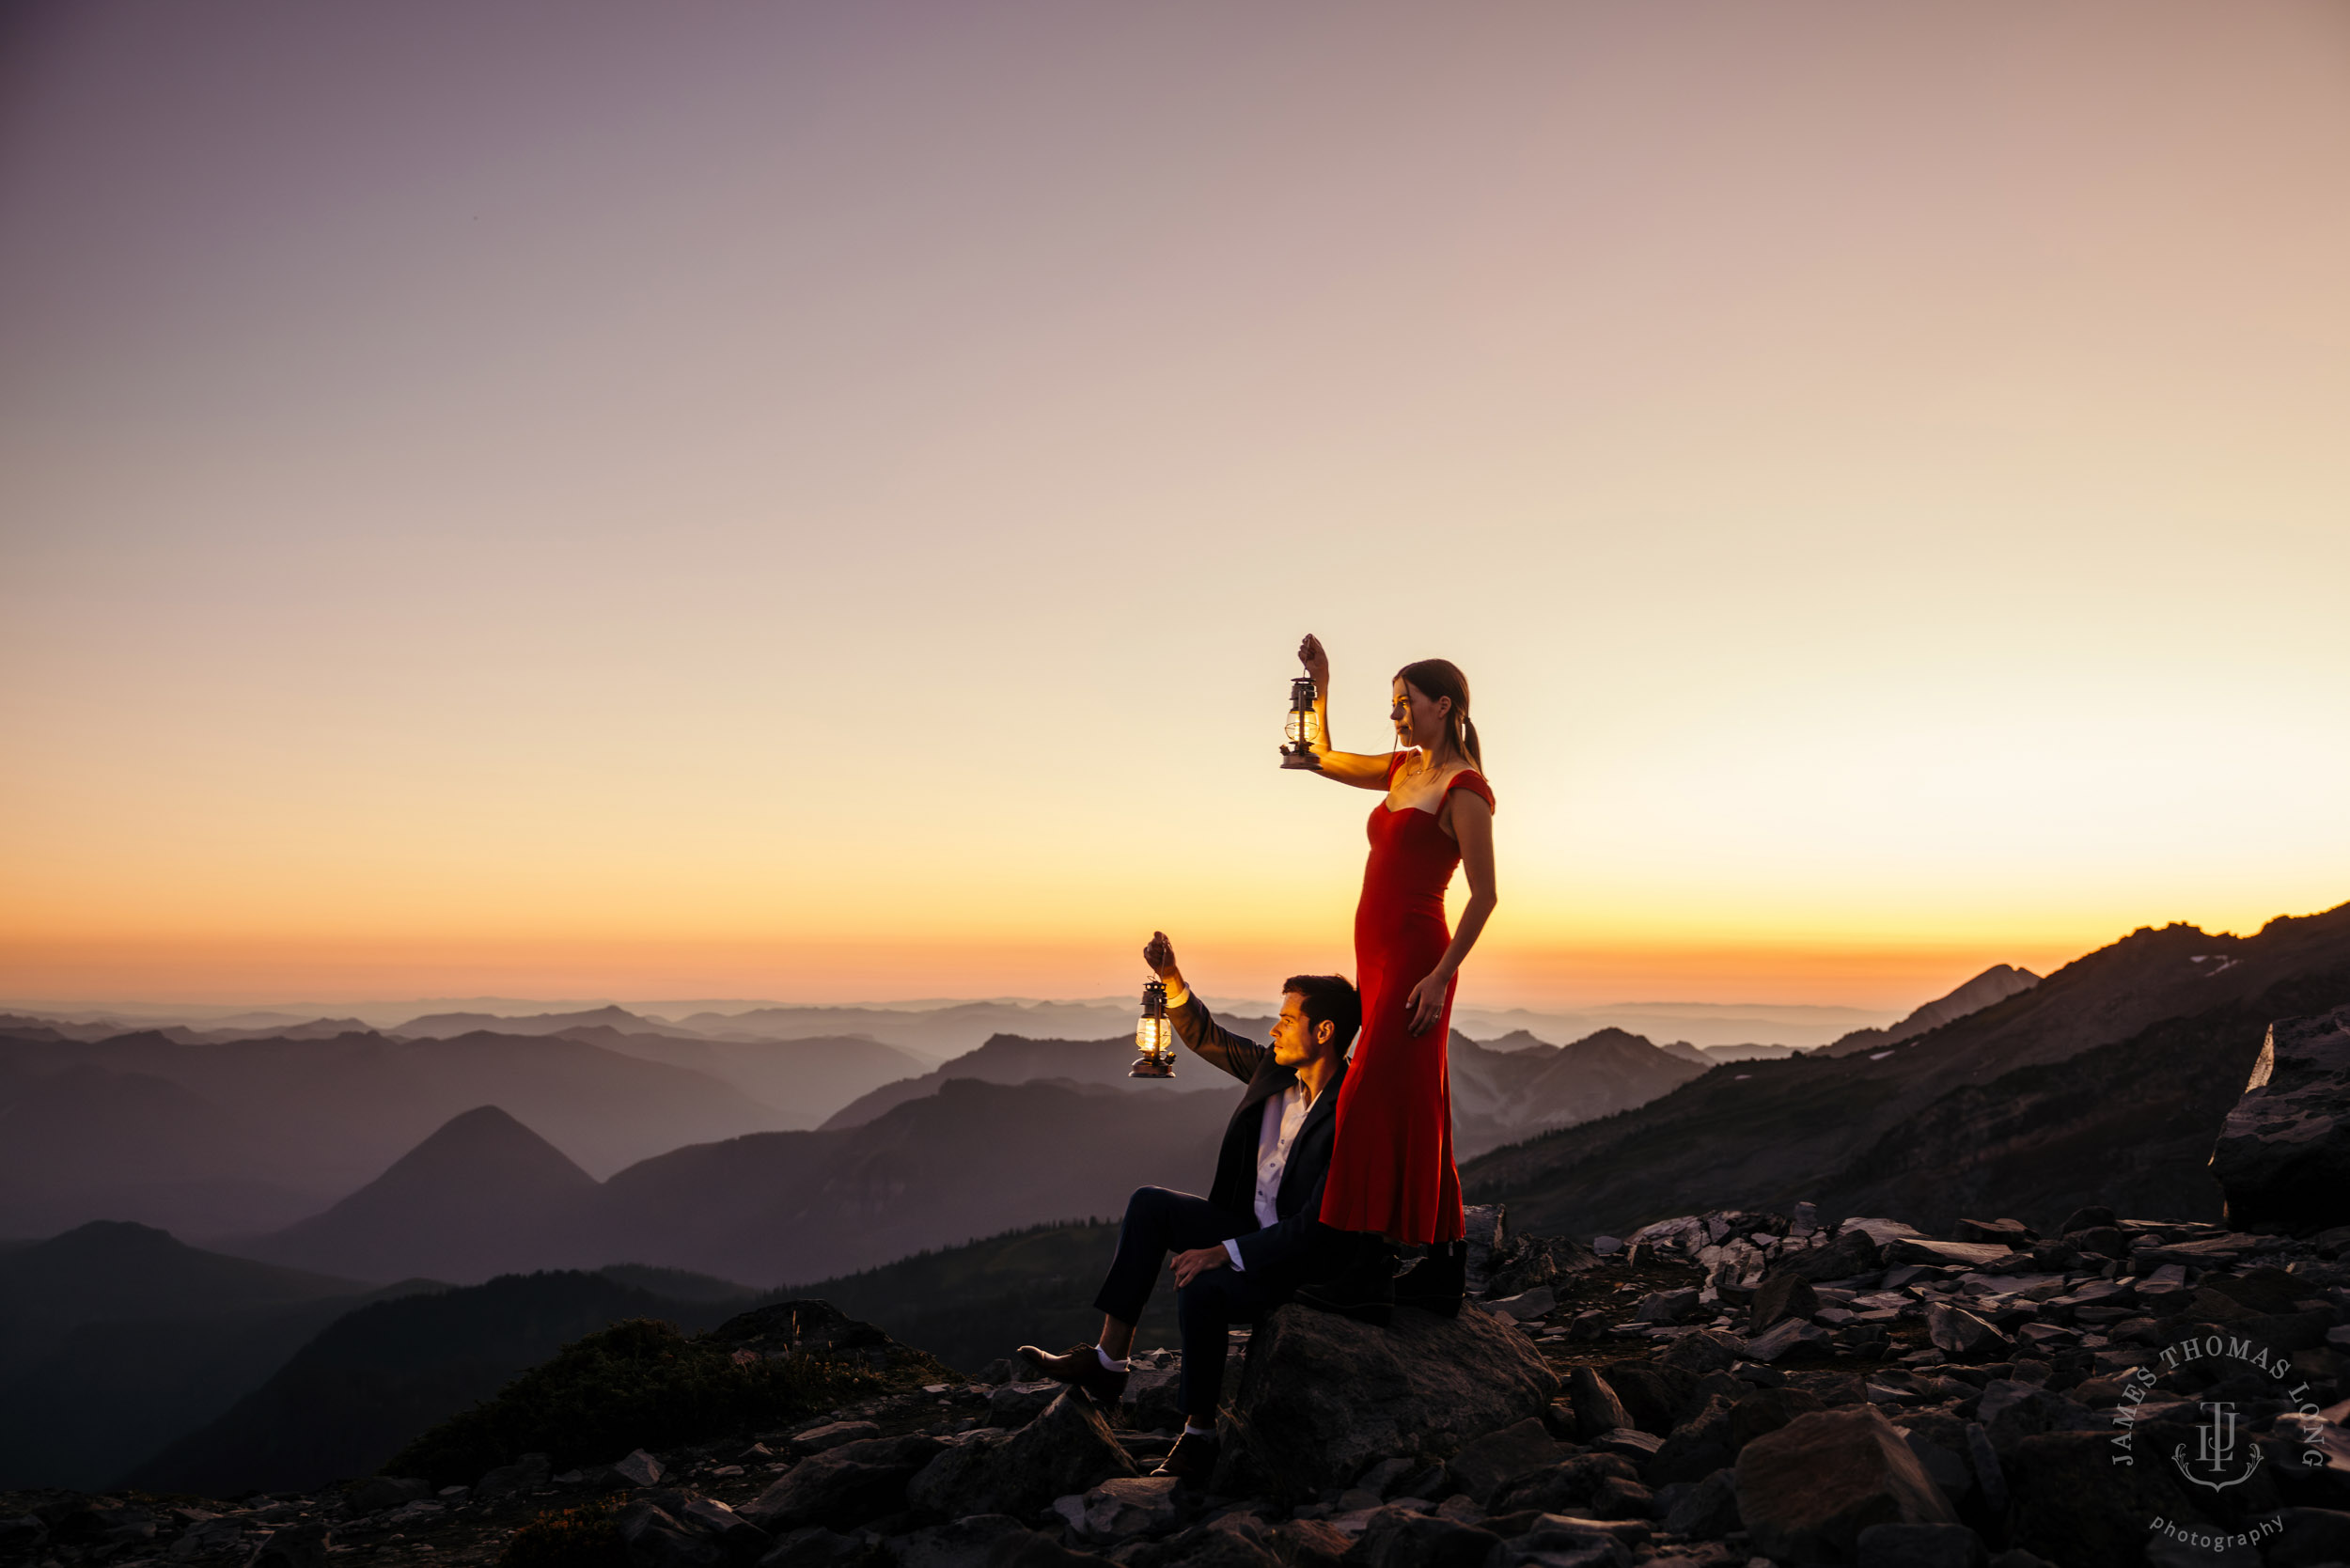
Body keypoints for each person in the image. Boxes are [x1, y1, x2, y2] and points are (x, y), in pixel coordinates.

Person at [1016, 933, 1358, 1483]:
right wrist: (1171, 978)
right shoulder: (1273, 1069)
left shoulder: (1350, 1112)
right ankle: (1108, 1364)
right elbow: (1208, 1037)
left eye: (1287, 1020)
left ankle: (1198, 1436)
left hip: (1294, 1264)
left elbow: (1315, 1226)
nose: (1273, 1029)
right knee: (1150, 1205)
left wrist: (1224, 1252)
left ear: (1324, 1032)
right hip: (1247, 1223)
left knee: (1200, 1285)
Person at [1286, 633, 1496, 1321]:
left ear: (1445, 705)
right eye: (1393, 704)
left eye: (1405, 704)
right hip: (1375, 958)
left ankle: (1366, 1265)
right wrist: (1320, 684)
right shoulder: (1404, 770)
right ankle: (1441, 1269)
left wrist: (1438, 979)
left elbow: (1486, 896)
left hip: (1416, 960)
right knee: (1413, 1103)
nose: (1397, 715)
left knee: (1367, 1099)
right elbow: (1321, 758)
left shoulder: (1465, 789)